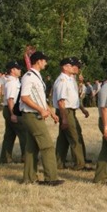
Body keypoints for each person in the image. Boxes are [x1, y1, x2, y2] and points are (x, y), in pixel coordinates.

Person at [20, 51, 64, 186]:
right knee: (47, 146)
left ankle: (29, 178)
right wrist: (40, 110)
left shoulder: (36, 76)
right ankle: (51, 178)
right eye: (44, 60)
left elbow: (40, 98)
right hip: (32, 115)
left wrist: (51, 112)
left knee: (31, 148)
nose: (46, 63)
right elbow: (24, 97)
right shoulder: (29, 77)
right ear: (38, 61)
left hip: (35, 113)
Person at [53, 57, 90, 171]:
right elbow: (61, 101)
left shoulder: (71, 79)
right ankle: (79, 164)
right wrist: (64, 118)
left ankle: (58, 163)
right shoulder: (62, 81)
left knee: (64, 139)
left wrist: (82, 109)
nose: (77, 68)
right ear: (65, 67)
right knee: (75, 137)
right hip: (65, 111)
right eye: (74, 66)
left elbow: (74, 97)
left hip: (70, 110)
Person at [0, 60, 26, 164]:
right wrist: (13, 114)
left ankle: (5, 158)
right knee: (24, 133)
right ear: (12, 70)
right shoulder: (12, 83)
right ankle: (26, 157)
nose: (20, 70)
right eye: (18, 69)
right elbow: (10, 99)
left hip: (10, 109)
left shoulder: (14, 81)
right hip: (12, 109)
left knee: (9, 135)